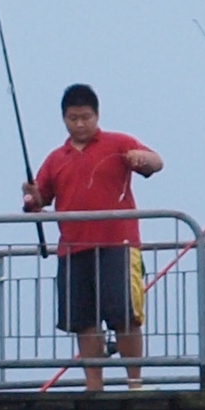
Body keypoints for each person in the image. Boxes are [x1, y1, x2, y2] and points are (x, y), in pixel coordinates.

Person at [23, 83, 162, 392]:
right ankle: (93, 385)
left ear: (97, 115)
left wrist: (143, 159)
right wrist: (32, 198)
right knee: (84, 321)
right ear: (64, 119)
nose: (80, 124)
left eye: (86, 117)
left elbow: (156, 163)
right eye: (73, 118)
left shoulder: (119, 143)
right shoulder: (56, 158)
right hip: (73, 248)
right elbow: (40, 199)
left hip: (118, 245)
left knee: (125, 316)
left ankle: (135, 383)